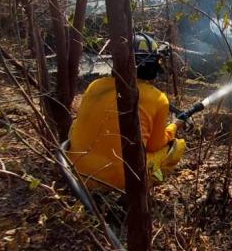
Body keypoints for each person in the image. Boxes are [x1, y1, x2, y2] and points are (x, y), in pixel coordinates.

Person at [68, 32, 186, 190]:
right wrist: (174, 127)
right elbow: (154, 145)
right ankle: (141, 192)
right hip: (121, 180)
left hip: (76, 173)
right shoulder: (158, 99)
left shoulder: (95, 86)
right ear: (152, 65)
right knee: (177, 147)